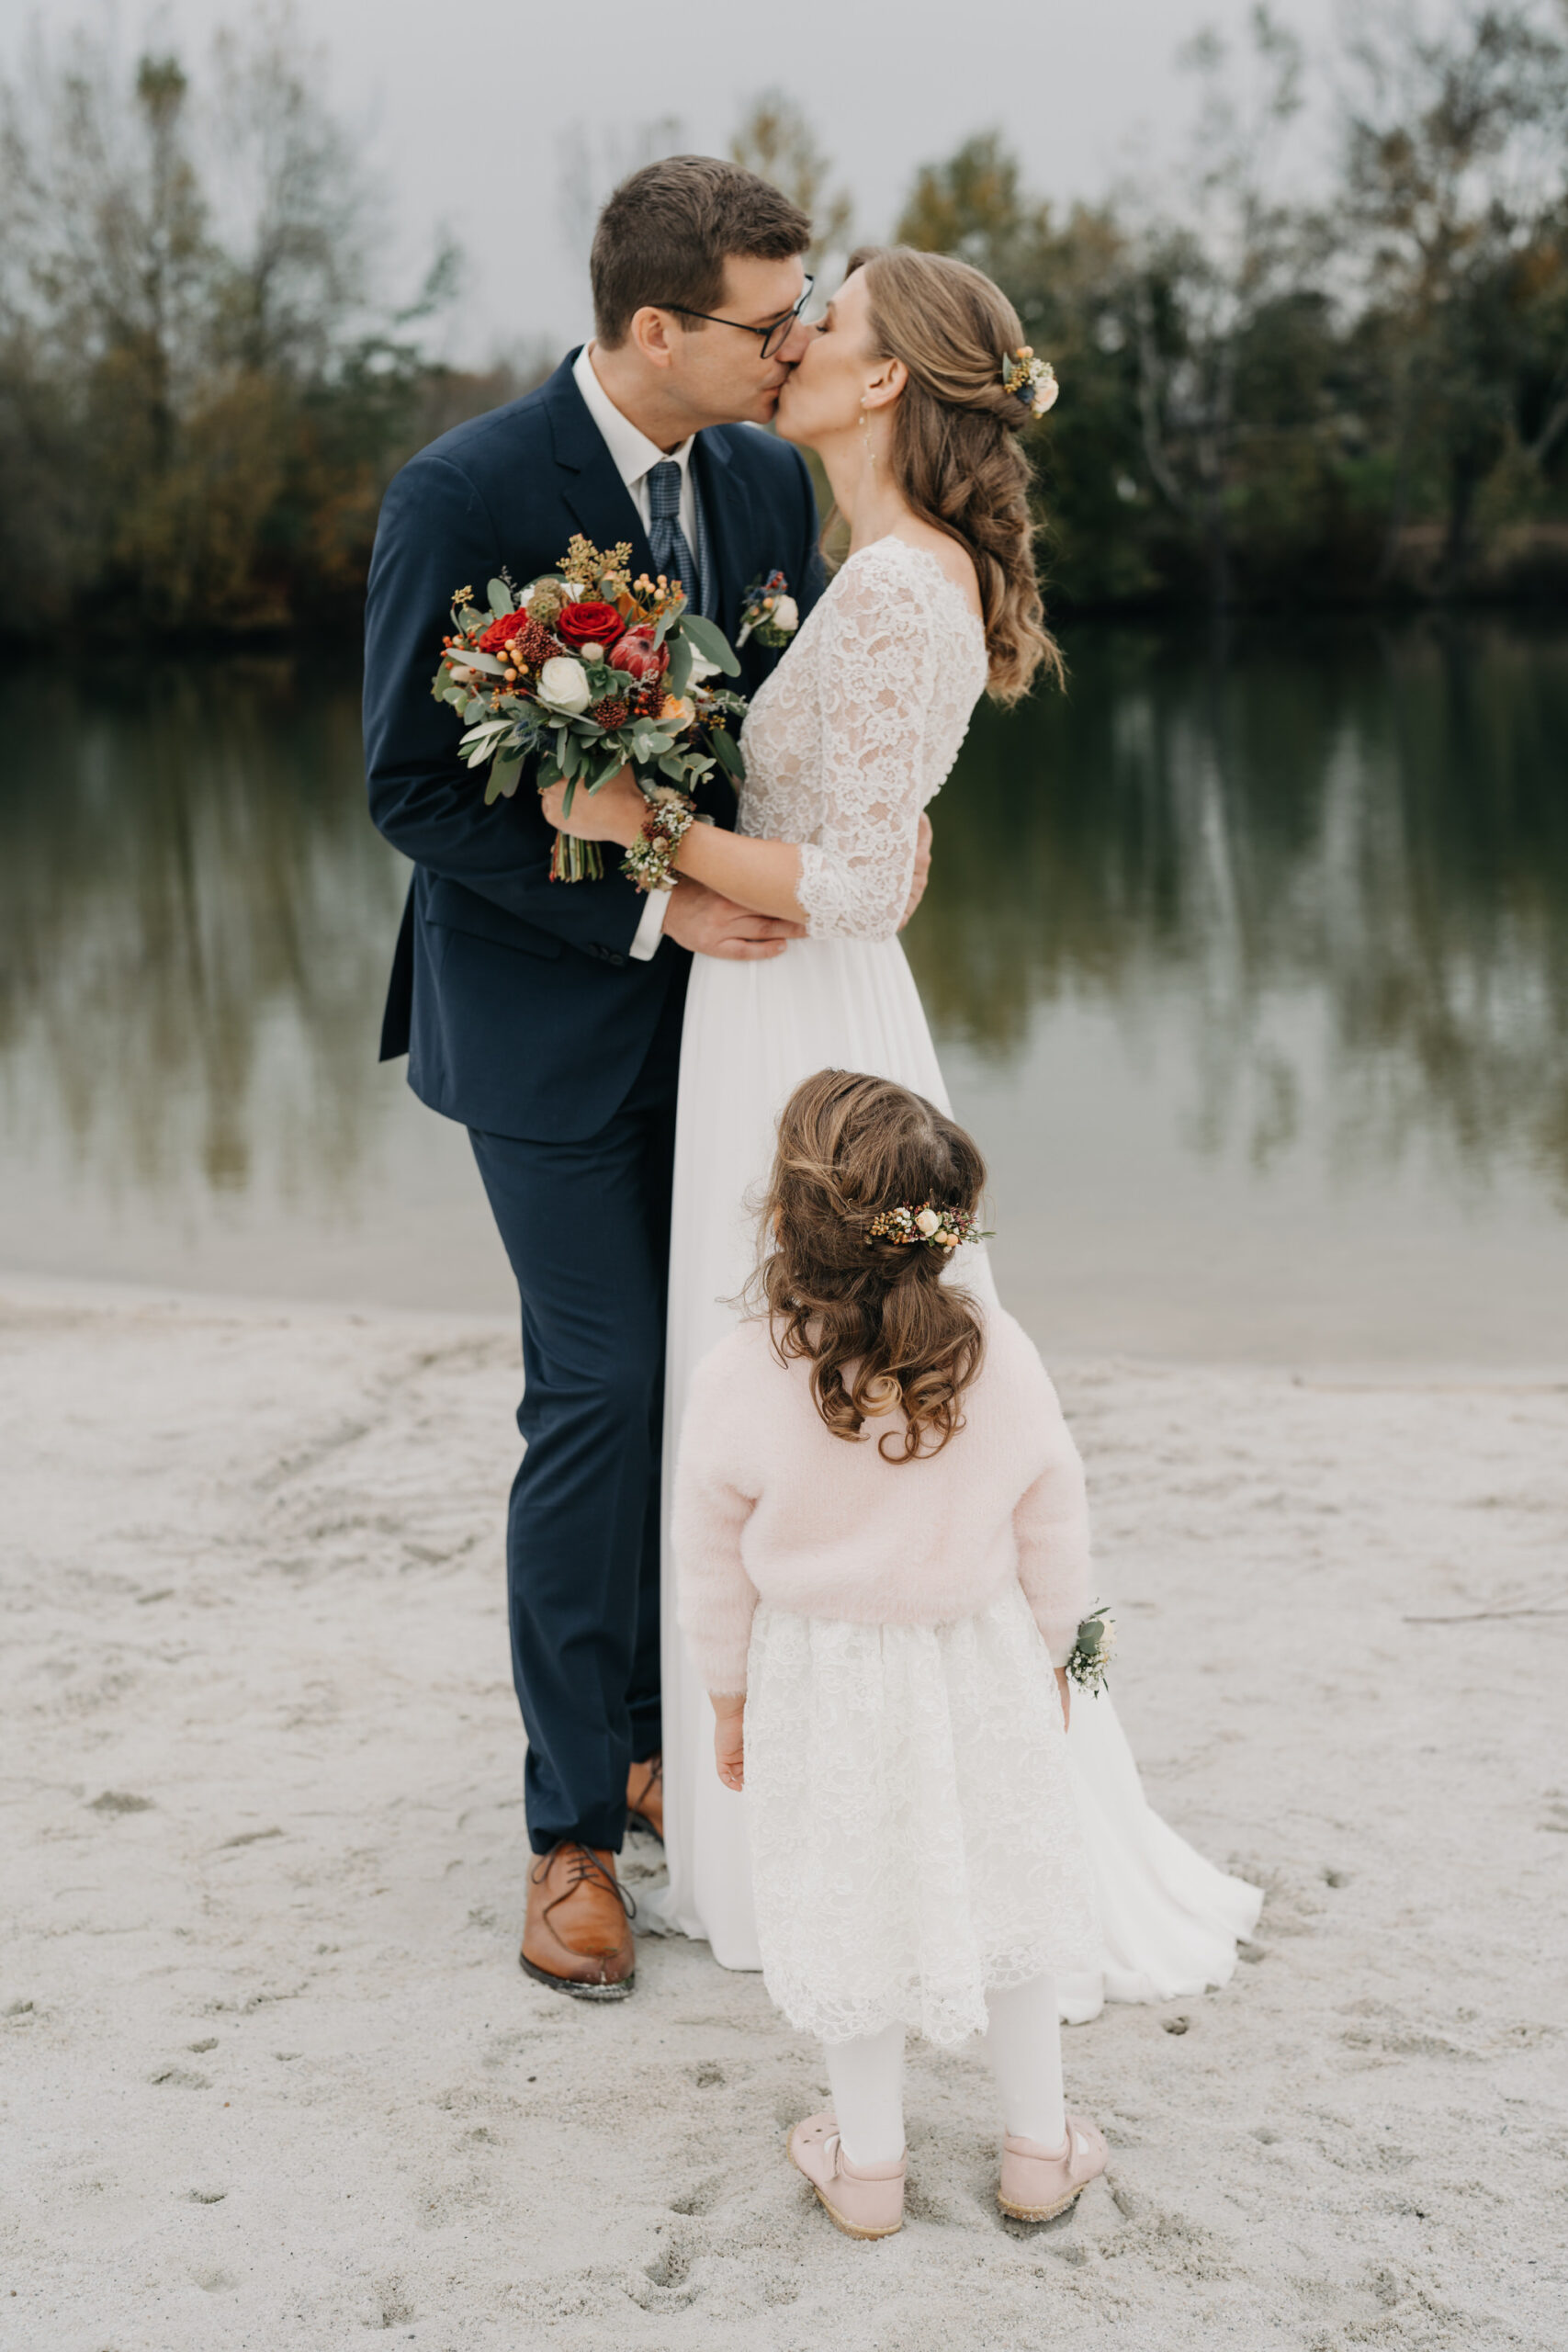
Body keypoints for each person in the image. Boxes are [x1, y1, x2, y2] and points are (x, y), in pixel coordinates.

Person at [544, 243, 1263, 2005]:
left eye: (830, 325)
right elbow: (861, 847)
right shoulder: (869, 571)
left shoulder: (895, 589)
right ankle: (794, 1794)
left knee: (818, 1379)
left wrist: (635, 825)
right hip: (784, 1007)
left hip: (804, 1021)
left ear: (882, 383)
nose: (794, 343)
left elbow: (856, 879)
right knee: (797, 1384)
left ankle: (877, 1823)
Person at [363, 159, 935, 1998]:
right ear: (657, 327)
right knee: (599, 1392)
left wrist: (839, 855)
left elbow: (785, 734)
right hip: (543, 1028)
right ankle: (568, 1838)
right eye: (771, 320)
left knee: (710, 1387)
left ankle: (649, 1735)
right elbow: (411, 789)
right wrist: (644, 899)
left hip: (737, 1031)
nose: (795, 343)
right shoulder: (462, 492)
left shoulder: (761, 482)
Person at [671, 1069, 1110, 2239]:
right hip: (978, 1663)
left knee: (847, 1905)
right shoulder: (996, 1352)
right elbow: (1055, 1518)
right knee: (1009, 1889)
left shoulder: (740, 1372)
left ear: (786, 1216)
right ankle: (1038, 2150)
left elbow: (708, 1561)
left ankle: (868, 2166)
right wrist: (1060, 1656)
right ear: (948, 1223)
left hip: (818, 1681)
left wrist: (727, 1697)